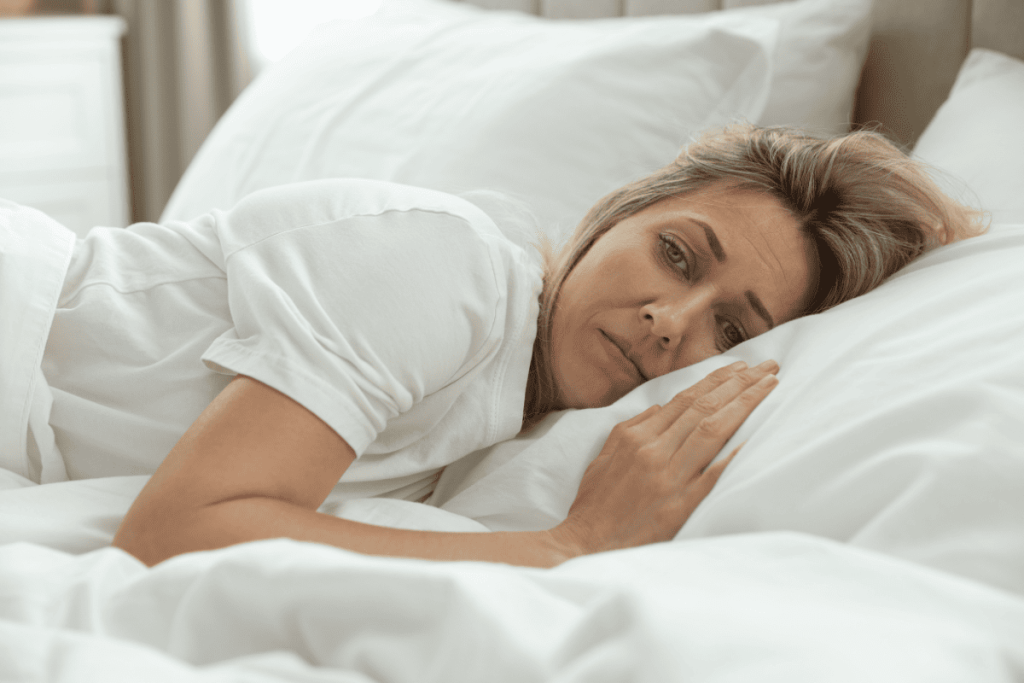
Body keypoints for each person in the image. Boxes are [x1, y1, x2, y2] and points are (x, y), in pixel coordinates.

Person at [3, 124, 984, 568]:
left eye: (731, 327)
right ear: (614, 217)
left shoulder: (498, 426)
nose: (670, 321)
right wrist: (563, 548)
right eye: (676, 254)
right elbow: (171, 532)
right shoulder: (449, 268)